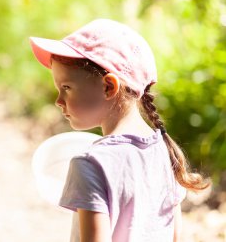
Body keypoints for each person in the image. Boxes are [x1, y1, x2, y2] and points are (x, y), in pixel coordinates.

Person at [29, 19, 209, 242]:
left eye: (66, 88)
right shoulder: (163, 151)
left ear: (108, 87)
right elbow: (176, 237)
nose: (58, 100)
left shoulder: (90, 165)